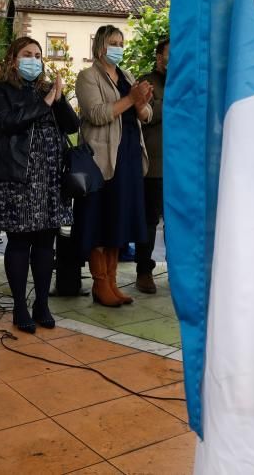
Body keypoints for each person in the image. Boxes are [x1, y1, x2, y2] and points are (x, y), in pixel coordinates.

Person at [0, 38, 79, 332]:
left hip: (49, 177)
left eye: (38, 55)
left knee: (46, 242)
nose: (34, 60)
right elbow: (8, 122)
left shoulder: (47, 90)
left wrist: (58, 99)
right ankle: (20, 307)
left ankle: (42, 304)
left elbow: (72, 126)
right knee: (20, 241)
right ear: (13, 59)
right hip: (17, 178)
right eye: (27, 55)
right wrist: (45, 102)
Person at [73, 25, 153, 307]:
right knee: (100, 219)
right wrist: (130, 99)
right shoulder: (88, 76)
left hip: (129, 154)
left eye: (121, 42)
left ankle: (113, 281)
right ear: (99, 46)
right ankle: (99, 283)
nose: (118, 46)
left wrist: (141, 104)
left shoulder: (127, 75)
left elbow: (146, 114)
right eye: (112, 42)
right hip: (102, 159)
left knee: (119, 219)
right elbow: (95, 114)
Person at [136, 37, 169, 293]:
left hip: (183, 166)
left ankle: (178, 270)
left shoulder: (189, 82)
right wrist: (174, 103)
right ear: (159, 57)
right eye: (170, 54)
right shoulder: (146, 82)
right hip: (155, 166)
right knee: (148, 221)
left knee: (179, 222)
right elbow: (144, 113)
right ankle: (144, 271)